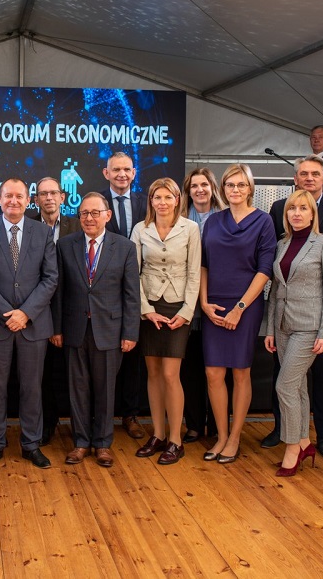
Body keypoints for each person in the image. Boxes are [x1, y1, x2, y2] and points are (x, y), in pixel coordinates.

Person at [261, 154, 323, 459]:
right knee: (294, 384)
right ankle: (300, 440)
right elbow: (276, 287)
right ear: (295, 178)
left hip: (313, 325)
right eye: (303, 173)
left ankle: (310, 441)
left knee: (292, 384)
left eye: (315, 173)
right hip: (284, 324)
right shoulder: (281, 242)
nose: (309, 178)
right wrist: (270, 327)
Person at [0, 178, 58, 470]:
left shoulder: (43, 232)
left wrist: (26, 313)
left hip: (33, 325)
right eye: (8, 196)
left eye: (19, 196)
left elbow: (51, 278)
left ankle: (31, 444)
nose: (13, 201)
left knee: (32, 388)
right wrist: (8, 314)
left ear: (28, 199)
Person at [52, 192, 140, 467]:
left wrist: (130, 333)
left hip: (110, 330)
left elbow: (131, 295)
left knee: (105, 390)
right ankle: (80, 442)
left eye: (94, 213)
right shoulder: (65, 245)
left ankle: (102, 444)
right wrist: (57, 328)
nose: (89, 218)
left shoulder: (125, 247)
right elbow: (58, 292)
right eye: (84, 213)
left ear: (107, 215)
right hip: (74, 329)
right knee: (77, 389)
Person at [200, 164, 276, 464]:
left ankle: (234, 437)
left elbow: (265, 270)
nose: (235, 190)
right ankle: (220, 436)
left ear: (250, 189)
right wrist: (204, 303)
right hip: (214, 305)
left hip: (246, 305)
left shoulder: (263, 221)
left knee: (240, 372)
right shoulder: (213, 221)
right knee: (213, 373)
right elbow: (203, 264)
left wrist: (239, 308)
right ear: (223, 188)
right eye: (230, 185)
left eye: (241, 185)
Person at [131, 178, 201, 465]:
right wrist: (145, 309)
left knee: (171, 375)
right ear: (151, 201)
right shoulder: (140, 229)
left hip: (177, 307)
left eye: (167, 197)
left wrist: (186, 311)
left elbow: (195, 272)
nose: (162, 202)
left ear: (177, 200)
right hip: (149, 308)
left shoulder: (190, 228)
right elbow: (133, 273)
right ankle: (158, 434)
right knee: (153, 373)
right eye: (157, 197)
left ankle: (175, 440)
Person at [100, 151, 148, 439]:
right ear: (106, 173)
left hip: (139, 291)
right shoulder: (96, 203)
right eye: (116, 169)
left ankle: (130, 415)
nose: (121, 174)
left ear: (134, 173)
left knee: (132, 357)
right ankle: (101, 418)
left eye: (127, 169)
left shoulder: (147, 203)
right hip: (103, 292)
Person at [32, 176, 81, 444]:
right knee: (43, 374)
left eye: (53, 193)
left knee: (75, 373)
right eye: (43, 194)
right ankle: (46, 424)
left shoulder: (78, 225)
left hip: (73, 311)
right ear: (36, 199)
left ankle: (80, 427)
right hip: (38, 311)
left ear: (63, 197)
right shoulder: (27, 225)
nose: (49, 198)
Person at [178, 168, 224, 445]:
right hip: (188, 305)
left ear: (212, 187)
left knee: (218, 369)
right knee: (192, 368)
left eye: (204, 184)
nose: (199, 190)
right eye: (194, 186)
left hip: (218, 300)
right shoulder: (180, 219)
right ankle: (194, 424)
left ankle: (218, 426)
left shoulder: (226, 217)